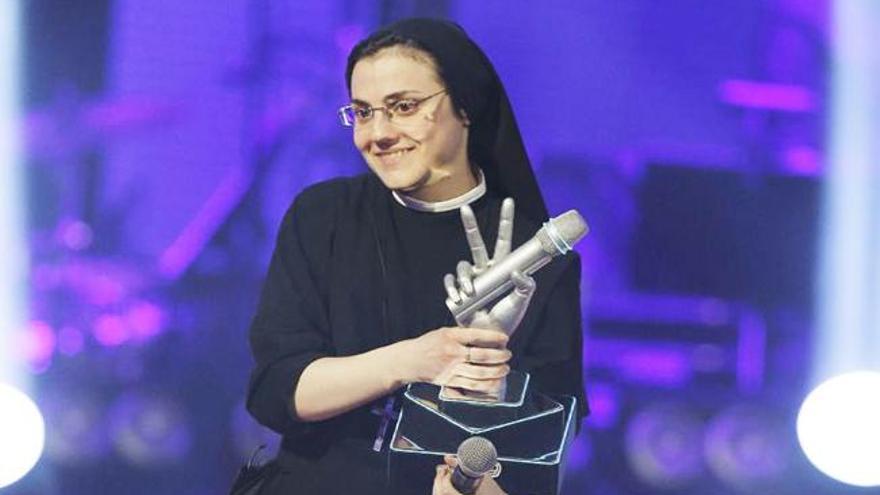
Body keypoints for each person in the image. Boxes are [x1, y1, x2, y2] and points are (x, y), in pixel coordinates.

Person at [244, 17, 586, 495]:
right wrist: (415, 359)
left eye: (403, 107)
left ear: (465, 107)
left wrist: (484, 374)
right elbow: (278, 391)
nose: (377, 134)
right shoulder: (323, 217)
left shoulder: (533, 253)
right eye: (363, 112)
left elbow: (548, 442)